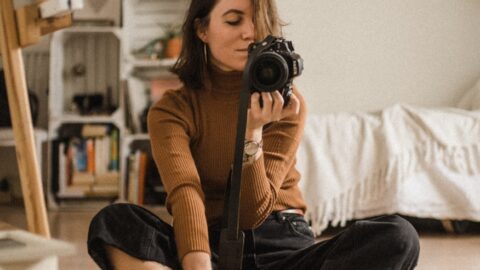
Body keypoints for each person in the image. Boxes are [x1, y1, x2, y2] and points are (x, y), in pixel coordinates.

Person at [87, 0, 420, 269]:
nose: (249, 32)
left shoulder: (288, 104)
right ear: (202, 29)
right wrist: (198, 265)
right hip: (211, 247)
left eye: (258, 21)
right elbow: (186, 191)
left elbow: (251, 213)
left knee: (397, 236)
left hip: (285, 247)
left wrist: (252, 131)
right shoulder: (172, 109)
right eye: (233, 21)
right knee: (115, 221)